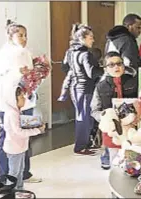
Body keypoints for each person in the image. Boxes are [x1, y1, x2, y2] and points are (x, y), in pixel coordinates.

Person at [0, 19, 42, 184]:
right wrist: (16, 73)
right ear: (10, 36)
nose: (24, 38)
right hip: (8, 104)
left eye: (25, 35)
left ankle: (24, 172)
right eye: (20, 35)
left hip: (25, 103)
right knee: (7, 137)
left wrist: (35, 75)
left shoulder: (25, 53)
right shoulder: (2, 55)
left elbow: (31, 79)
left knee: (24, 137)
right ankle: (4, 176)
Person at [61, 24, 103, 156]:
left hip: (75, 87)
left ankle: (84, 144)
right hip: (85, 89)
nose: (93, 40)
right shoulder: (85, 54)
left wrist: (75, 73)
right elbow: (91, 73)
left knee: (84, 116)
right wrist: (104, 69)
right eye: (91, 37)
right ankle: (80, 147)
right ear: (83, 38)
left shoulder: (70, 52)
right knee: (84, 118)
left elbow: (64, 68)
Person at [91, 51, 138, 170]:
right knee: (115, 163)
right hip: (112, 130)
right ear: (106, 68)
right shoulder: (101, 86)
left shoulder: (134, 81)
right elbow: (94, 110)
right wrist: (105, 118)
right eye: (111, 65)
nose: (116, 67)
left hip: (133, 127)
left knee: (134, 161)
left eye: (119, 64)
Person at [2, 84, 45, 198]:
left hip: (20, 147)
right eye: (21, 97)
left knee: (20, 171)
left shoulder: (16, 111)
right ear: (13, 99)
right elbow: (18, 132)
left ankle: (19, 190)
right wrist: (37, 130)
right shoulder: (12, 113)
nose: (24, 99)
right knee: (14, 173)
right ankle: (10, 192)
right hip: (14, 148)